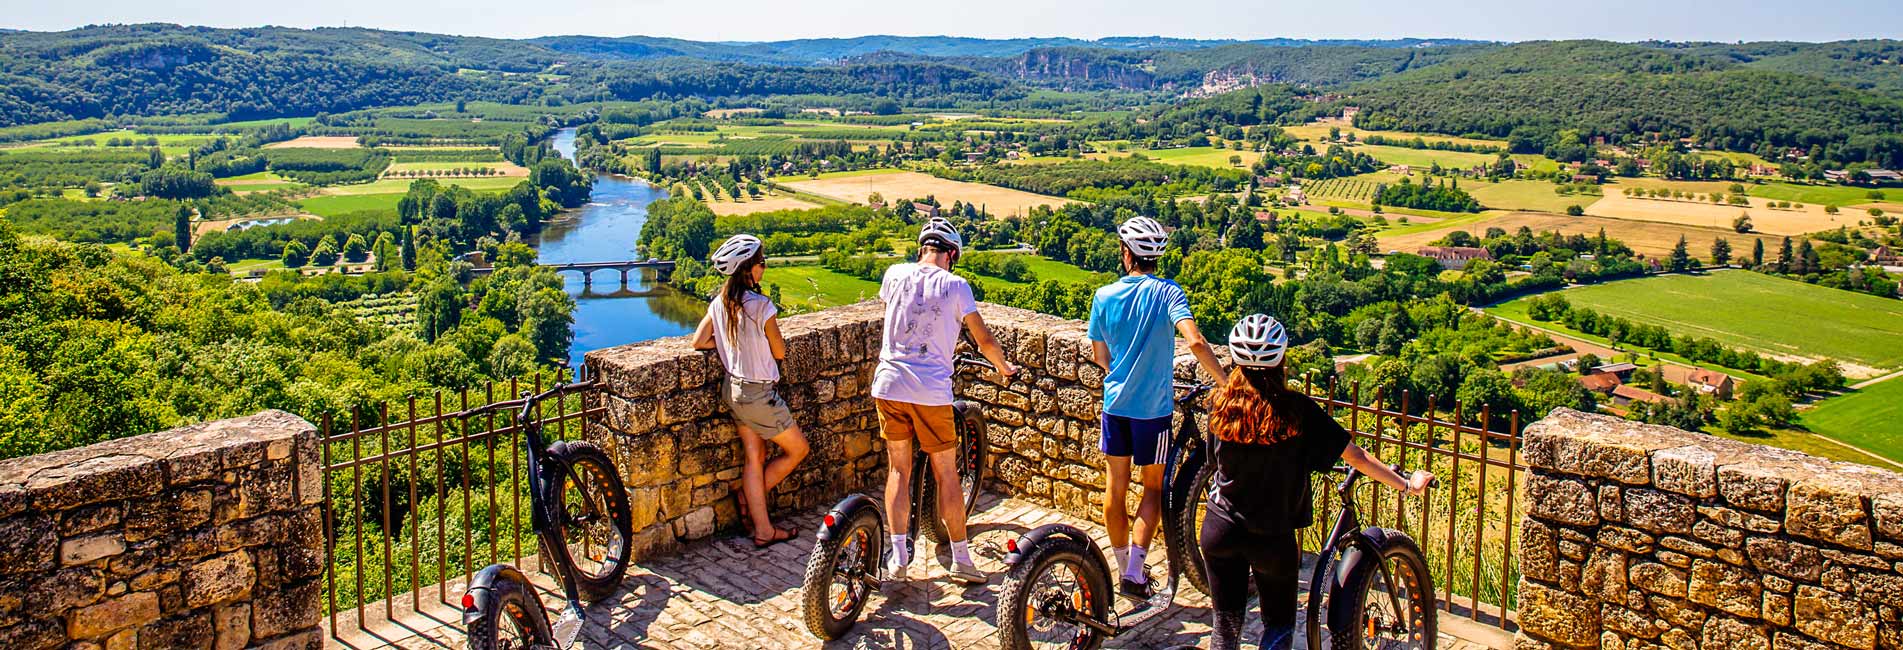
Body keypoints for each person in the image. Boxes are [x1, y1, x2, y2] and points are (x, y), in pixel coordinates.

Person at [1201, 314, 1433, 650]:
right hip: (1271, 538)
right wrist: (1405, 483)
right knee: (1278, 627)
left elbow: (1213, 462)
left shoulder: (1220, 405)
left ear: (1236, 362)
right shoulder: (1296, 411)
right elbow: (1356, 456)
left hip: (1219, 527)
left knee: (1225, 625)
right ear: (1281, 359)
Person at [1086, 216, 1228, 599]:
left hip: (1115, 405)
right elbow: (1195, 342)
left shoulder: (1104, 296)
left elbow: (1101, 355)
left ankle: (1123, 566)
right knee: (1152, 489)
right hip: (1153, 411)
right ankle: (1135, 570)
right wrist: (1226, 384)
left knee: (1114, 491)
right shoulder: (1168, 293)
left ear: (1126, 254)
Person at [873, 217, 1018, 584]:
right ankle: (961, 559)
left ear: (922, 248)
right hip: (930, 391)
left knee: (898, 471)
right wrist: (1004, 367)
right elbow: (982, 337)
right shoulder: (956, 285)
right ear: (951, 254)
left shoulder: (893, 274)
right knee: (946, 474)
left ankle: (899, 559)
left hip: (889, 385)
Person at [691, 234, 810, 548]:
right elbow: (780, 350)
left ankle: (763, 529)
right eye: (761, 263)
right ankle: (749, 497)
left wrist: (732, 345)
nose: (764, 267)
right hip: (759, 394)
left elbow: (699, 342)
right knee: (798, 450)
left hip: (733, 390)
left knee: (754, 458)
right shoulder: (762, 306)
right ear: (748, 269)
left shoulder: (719, 304)